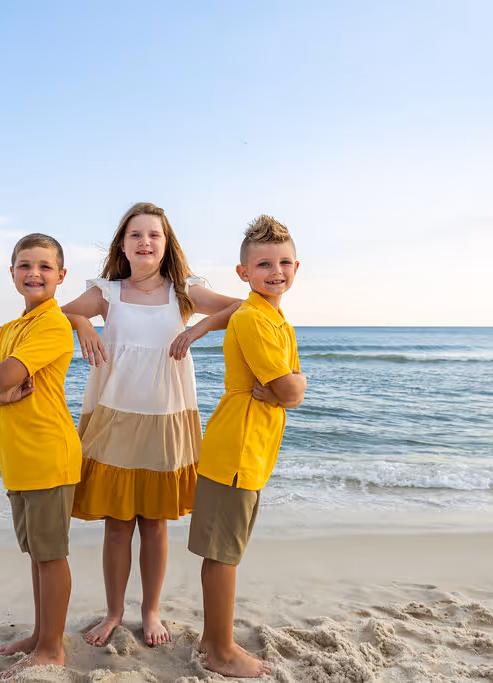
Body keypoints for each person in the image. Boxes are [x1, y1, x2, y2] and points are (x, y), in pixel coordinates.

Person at [61, 202, 241, 647]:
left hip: (166, 417)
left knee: (156, 523)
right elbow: (56, 311)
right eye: (136, 234)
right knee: (118, 524)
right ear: (123, 244)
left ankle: (151, 610)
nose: (145, 242)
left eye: (153, 235)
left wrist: (197, 329)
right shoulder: (108, 292)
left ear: (166, 244)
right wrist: (83, 322)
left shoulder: (185, 291)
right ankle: (114, 613)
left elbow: (241, 307)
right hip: (115, 416)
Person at [188, 215, 305, 678]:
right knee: (223, 554)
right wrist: (290, 386)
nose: (275, 271)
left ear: (297, 266)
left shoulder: (273, 316)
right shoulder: (255, 318)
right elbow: (292, 391)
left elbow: (288, 388)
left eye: (283, 262)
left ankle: (212, 638)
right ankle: (219, 649)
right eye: (262, 264)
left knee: (226, 549)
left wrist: (287, 386)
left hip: (251, 449)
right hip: (235, 449)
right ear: (244, 274)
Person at [0, 233, 81, 680]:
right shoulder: (10, 328)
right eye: (24, 265)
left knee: (51, 555)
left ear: (60, 276)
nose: (34, 273)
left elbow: (2, 374)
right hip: (19, 458)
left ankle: (52, 649)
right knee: (36, 553)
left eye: (44, 266)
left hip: (48, 453)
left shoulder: (52, 324)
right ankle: (40, 635)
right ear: (12, 272)